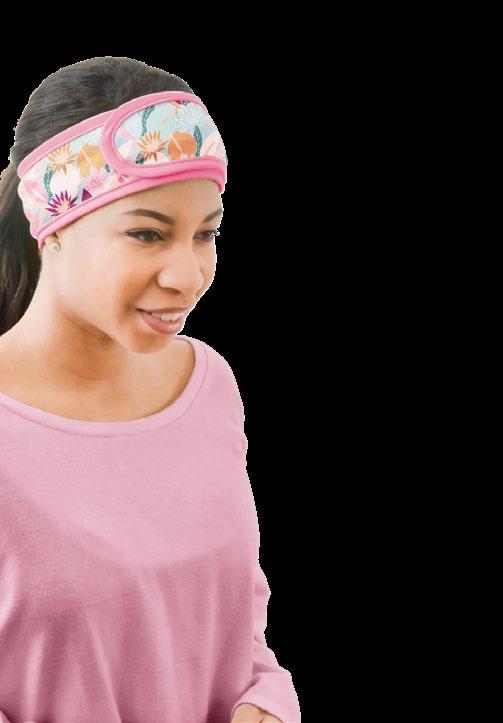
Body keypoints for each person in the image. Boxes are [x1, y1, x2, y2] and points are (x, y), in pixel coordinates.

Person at [0, 57, 301, 723]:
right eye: (146, 233)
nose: (188, 275)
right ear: (51, 221)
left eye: (206, 233)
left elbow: (234, 626)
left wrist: (266, 703)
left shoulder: (209, 385)